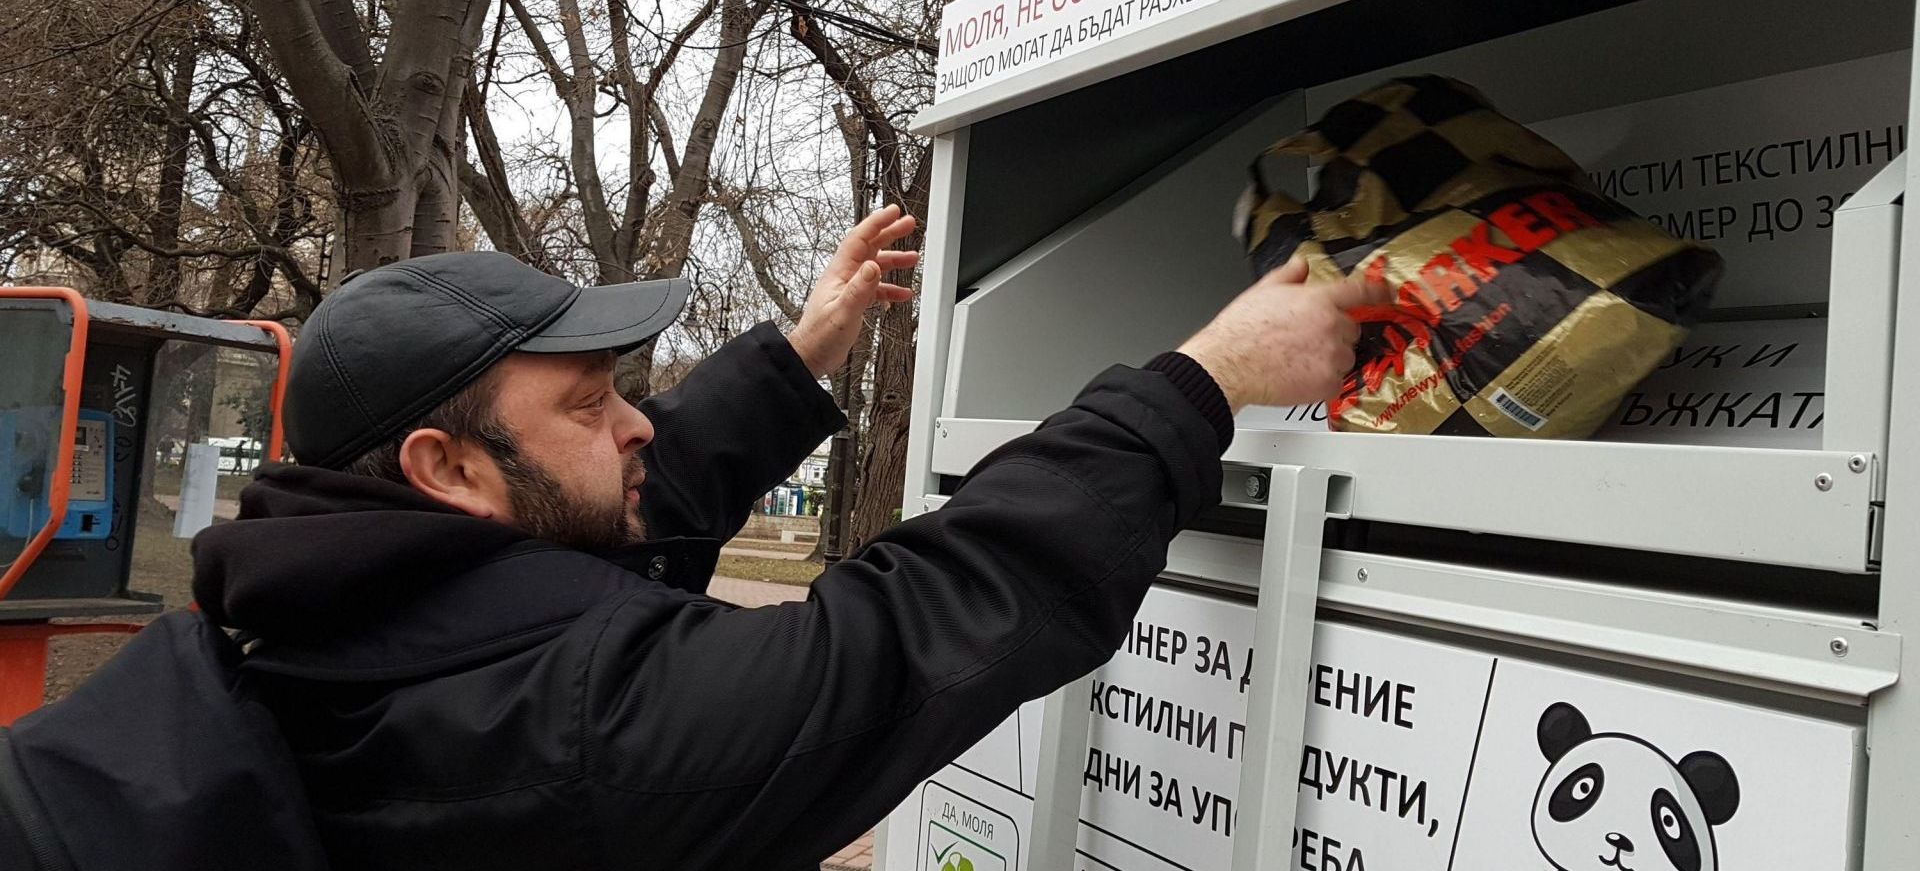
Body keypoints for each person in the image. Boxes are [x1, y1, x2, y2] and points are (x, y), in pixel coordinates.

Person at [0, 206, 1380, 871]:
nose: (640, 424)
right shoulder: (575, 725)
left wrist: (800, 350)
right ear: (447, 467)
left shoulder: (318, 597)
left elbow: (617, 509)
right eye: (596, 401)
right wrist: (1204, 381)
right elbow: (926, 619)